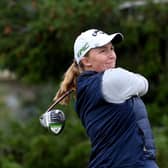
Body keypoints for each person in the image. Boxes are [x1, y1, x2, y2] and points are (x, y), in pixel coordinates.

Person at [54, 29, 159, 168]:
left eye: (111, 49)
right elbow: (144, 84)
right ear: (86, 61)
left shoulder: (85, 88)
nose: (112, 56)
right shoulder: (110, 79)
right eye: (103, 51)